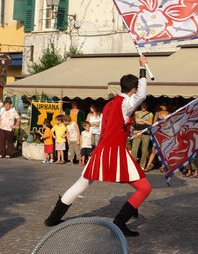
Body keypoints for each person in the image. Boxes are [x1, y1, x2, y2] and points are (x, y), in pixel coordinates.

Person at [44, 55, 151, 237]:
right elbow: (142, 95)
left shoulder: (110, 104)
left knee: (82, 183)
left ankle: (53, 218)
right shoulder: (126, 103)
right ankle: (119, 223)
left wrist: (127, 132)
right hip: (115, 152)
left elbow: (108, 129)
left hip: (101, 150)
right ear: (132, 88)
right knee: (144, 188)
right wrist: (142, 68)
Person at [144, 103, 169, 172]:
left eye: (166, 105)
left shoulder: (169, 113)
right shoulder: (157, 113)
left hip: (165, 134)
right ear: (161, 106)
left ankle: (163, 166)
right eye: (163, 105)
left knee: (164, 150)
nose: (165, 106)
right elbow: (154, 124)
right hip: (158, 133)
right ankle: (147, 166)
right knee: (154, 150)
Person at [131, 102, 153, 169]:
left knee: (144, 150)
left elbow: (150, 123)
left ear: (147, 106)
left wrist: (141, 120)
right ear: (140, 106)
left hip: (146, 133)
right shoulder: (137, 113)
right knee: (134, 149)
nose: (143, 106)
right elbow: (137, 121)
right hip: (137, 132)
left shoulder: (150, 114)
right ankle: (133, 164)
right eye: (142, 105)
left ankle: (142, 166)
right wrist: (145, 121)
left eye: (145, 105)